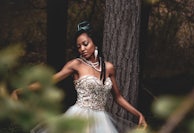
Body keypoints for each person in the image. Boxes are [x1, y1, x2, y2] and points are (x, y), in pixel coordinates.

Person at [11, 21, 147, 133]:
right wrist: (20, 91)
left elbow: (118, 97)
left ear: (94, 43)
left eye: (85, 44)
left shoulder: (109, 67)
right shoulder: (76, 64)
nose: (82, 48)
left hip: (101, 121)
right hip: (80, 116)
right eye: (78, 46)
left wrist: (139, 114)